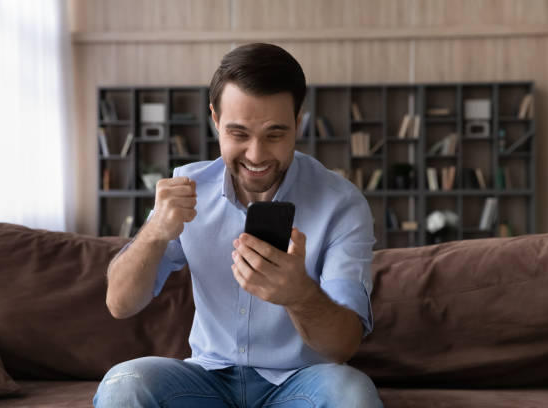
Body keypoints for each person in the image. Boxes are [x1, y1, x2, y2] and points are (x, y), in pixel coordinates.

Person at [94, 43, 383, 408]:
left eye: (275, 134)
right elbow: (119, 303)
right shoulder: (186, 188)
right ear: (215, 119)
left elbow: (343, 346)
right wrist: (153, 234)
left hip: (299, 383)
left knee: (352, 393)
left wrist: (298, 295)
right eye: (239, 134)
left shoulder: (341, 203)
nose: (257, 155)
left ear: (298, 122)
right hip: (205, 379)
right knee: (124, 383)